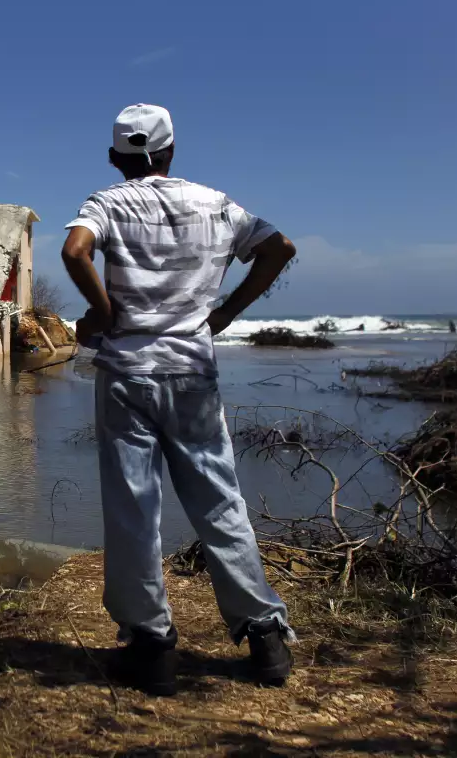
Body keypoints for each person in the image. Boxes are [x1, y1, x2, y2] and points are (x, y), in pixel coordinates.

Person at [61, 104, 297, 697]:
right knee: (219, 499)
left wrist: (106, 314)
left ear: (117, 159)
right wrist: (221, 316)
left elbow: (74, 252)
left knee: (134, 510)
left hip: (127, 375)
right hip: (191, 373)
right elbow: (279, 247)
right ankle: (264, 636)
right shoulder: (217, 204)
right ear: (170, 153)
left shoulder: (106, 203)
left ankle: (151, 646)